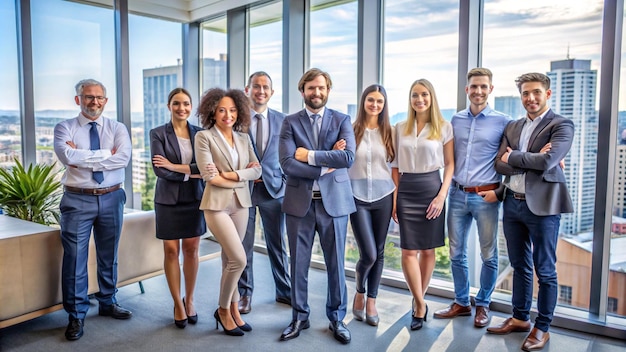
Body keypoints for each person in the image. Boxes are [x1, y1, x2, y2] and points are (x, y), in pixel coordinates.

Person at [486, 72, 574, 352]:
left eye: (536, 92)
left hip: (544, 207)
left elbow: (549, 160)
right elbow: (498, 165)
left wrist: (513, 156)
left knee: (545, 270)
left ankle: (542, 327)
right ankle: (520, 318)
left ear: (547, 94)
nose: (530, 98)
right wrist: (529, 161)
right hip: (512, 202)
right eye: (525, 93)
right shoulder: (513, 126)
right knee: (519, 264)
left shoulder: (561, 125)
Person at [278, 68, 356, 344]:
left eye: (321, 87)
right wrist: (324, 166)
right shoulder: (289, 123)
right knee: (298, 263)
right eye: (311, 88)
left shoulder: (342, 119)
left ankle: (337, 318)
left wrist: (309, 156)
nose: (316, 92)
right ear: (303, 91)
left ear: (328, 90)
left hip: (334, 204)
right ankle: (300, 316)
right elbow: (287, 163)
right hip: (300, 204)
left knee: (336, 264)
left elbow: (347, 157)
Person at [53, 78, 132, 341]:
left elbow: (124, 158)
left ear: (105, 101)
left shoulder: (117, 127)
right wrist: (104, 156)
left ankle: (108, 301)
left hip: (112, 197)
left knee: (109, 254)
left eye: (99, 97)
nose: (94, 102)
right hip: (78, 200)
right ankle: (76, 315)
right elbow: (67, 157)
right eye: (88, 97)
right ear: (78, 100)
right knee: (75, 258)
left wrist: (84, 157)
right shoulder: (64, 128)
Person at [433, 68, 510, 328]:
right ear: (467, 90)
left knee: (489, 254)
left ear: (490, 89)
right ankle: (461, 302)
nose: (478, 91)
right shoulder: (455, 120)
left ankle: (484, 304)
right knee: (456, 253)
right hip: (456, 194)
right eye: (474, 86)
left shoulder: (503, 121)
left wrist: (555, 155)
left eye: (483, 86)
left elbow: (518, 151)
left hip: (486, 196)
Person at [194, 88, 262, 336]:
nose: (228, 114)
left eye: (232, 110)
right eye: (222, 109)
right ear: (213, 110)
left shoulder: (243, 138)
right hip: (216, 206)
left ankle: (234, 308)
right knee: (240, 259)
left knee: (229, 261)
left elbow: (257, 171)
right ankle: (223, 310)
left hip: (241, 204)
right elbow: (209, 177)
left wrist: (230, 175)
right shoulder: (204, 137)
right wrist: (242, 176)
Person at [391, 79, 454, 331]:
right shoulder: (399, 128)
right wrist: (395, 200)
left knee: (428, 251)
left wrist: (441, 196)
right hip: (406, 190)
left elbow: (450, 164)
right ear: (410, 99)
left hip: (432, 188)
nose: (420, 99)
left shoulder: (444, 127)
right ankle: (420, 302)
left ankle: (418, 304)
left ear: (431, 97)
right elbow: (395, 166)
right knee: (408, 251)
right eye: (415, 95)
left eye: (424, 95)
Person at [150, 88, 206, 329]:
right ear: (169, 106)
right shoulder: (158, 133)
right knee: (171, 252)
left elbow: (206, 166)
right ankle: (177, 303)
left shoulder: (201, 134)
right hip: (168, 200)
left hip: (195, 199)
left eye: (185, 104)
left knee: (192, 250)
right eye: (176, 103)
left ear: (191, 107)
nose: (181, 108)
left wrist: (176, 166)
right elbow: (159, 170)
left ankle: (190, 299)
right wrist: (190, 172)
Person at [238, 71, 291, 314]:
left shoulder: (284, 120)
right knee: (243, 245)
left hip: (274, 189)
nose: (261, 91)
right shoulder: (236, 120)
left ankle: (284, 290)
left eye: (265, 87)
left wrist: (284, 180)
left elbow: (291, 154)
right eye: (256, 86)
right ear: (247, 90)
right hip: (243, 190)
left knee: (277, 244)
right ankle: (245, 294)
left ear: (272, 92)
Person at [347, 84, 395, 327]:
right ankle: (359, 291)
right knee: (369, 254)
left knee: (380, 251)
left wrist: (395, 203)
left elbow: (395, 170)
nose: (375, 104)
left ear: (384, 104)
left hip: (384, 196)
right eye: (370, 100)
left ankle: (372, 301)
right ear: (363, 101)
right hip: (356, 197)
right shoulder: (351, 130)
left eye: (379, 101)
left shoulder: (390, 132)